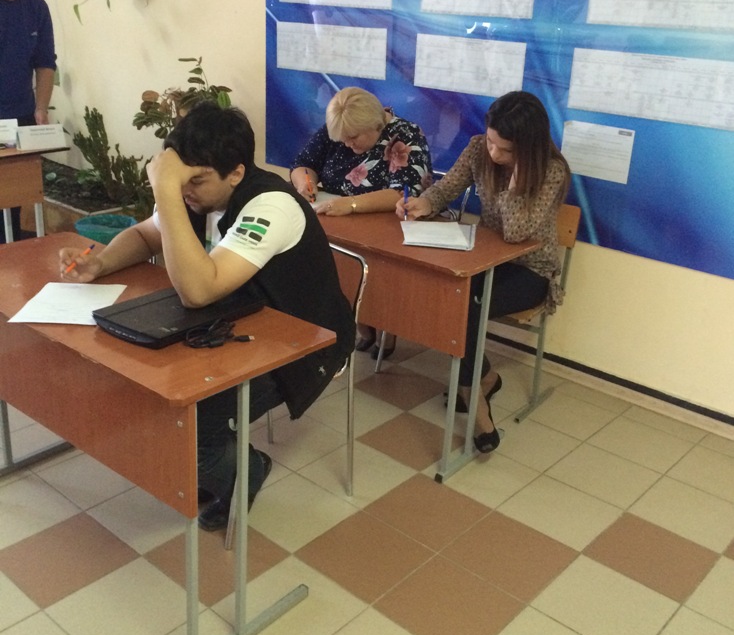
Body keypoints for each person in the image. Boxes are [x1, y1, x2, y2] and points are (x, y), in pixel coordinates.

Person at [60, 102, 355, 530]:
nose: (185, 192)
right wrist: (101, 263)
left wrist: (166, 190)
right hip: (237, 324)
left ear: (235, 173)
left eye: (195, 181)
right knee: (154, 396)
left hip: (304, 343)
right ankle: (215, 462)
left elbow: (198, 292)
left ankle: (247, 469)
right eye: (179, 181)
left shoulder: (270, 205)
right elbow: (146, 234)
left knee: (192, 424)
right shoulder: (196, 195)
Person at [397, 91, 571, 454]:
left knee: (466, 305)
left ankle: (476, 404)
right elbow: (446, 188)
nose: (493, 154)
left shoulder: (551, 171)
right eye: (491, 141)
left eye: (505, 150)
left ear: (528, 148)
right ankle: (484, 378)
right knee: (451, 294)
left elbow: (516, 232)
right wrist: (423, 203)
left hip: (531, 271)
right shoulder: (478, 148)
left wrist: (515, 184)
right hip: (486, 260)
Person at [290, 85, 432, 357]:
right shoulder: (341, 127)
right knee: (321, 258)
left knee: (365, 264)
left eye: (353, 138)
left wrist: (351, 204)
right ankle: (358, 322)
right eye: (342, 139)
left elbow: (402, 193)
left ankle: (381, 323)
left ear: (375, 125)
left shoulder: (405, 135)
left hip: (388, 226)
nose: (346, 144)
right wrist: (304, 183)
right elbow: (303, 163)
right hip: (337, 219)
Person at [0, 0, 56, 242]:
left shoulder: (36, 9)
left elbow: (45, 63)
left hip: (18, 116)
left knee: (11, 196)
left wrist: (41, 108)